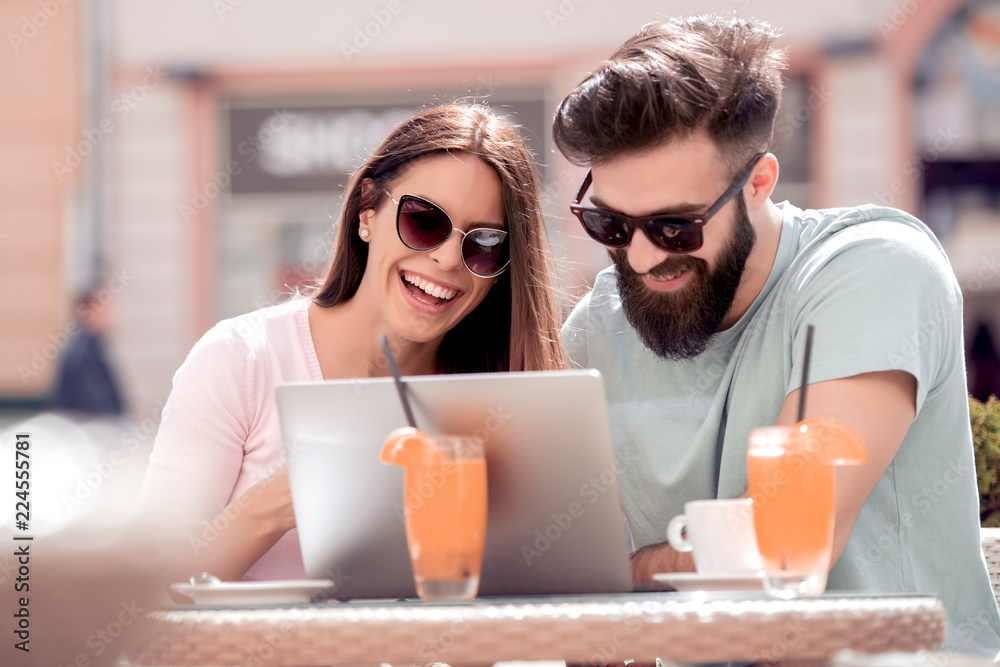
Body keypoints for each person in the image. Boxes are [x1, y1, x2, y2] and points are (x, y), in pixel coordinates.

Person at [553, 15, 1000, 658]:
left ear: (759, 183)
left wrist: (636, 571)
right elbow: (548, 566)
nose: (644, 258)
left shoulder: (877, 269)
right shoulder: (598, 331)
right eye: (612, 226)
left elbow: (779, 547)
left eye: (676, 227)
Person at [139, 103, 566, 582]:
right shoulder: (239, 361)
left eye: (483, 245)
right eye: (425, 221)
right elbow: (145, 593)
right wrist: (271, 508)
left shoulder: (506, 399)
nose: (448, 259)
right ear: (367, 210)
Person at [48, 290, 126, 416]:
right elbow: (94, 406)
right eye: (104, 309)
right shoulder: (82, 355)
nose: (111, 316)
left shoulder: (92, 348)